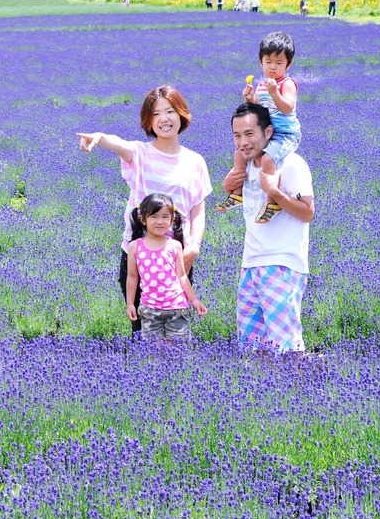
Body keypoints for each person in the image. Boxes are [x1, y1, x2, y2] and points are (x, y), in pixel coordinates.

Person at [77, 85, 212, 334]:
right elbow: (119, 145)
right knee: (143, 330)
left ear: (181, 114)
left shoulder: (195, 161)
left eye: (170, 111)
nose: (164, 119)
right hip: (140, 257)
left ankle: (175, 373)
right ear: (149, 120)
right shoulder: (140, 153)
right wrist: (100, 137)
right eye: (156, 113)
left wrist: (195, 246)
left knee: (177, 329)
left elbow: (198, 209)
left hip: (177, 256)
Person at [222, 103, 315, 354]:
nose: (243, 142)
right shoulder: (247, 166)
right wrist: (227, 186)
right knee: (252, 346)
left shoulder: (291, 163)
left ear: (268, 132)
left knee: (285, 345)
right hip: (251, 263)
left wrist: (274, 192)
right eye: (237, 135)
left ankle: (294, 391)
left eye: (250, 134)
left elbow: (307, 212)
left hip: (282, 262)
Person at [218, 31, 300, 224]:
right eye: (268, 62)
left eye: (279, 63)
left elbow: (287, 108)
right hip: (266, 132)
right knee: (239, 153)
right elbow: (259, 110)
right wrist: (250, 98)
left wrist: (275, 92)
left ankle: (272, 203)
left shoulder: (287, 84)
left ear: (288, 64)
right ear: (261, 62)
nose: (273, 67)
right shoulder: (263, 84)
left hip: (285, 134)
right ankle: (237, 194)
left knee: (268, 160)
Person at [125, 193, 208, 340]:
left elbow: (182, 276)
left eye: (165, 217)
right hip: (149, 308)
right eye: (154, 216)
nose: (159, 221)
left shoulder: (175, 246)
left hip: (176, 307)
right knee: (152, 353)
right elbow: (132, 277)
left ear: (172, 219)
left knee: (177, 352)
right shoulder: (134, 247)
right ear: (143, 219)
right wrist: (130, 303)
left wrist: (194, 300)